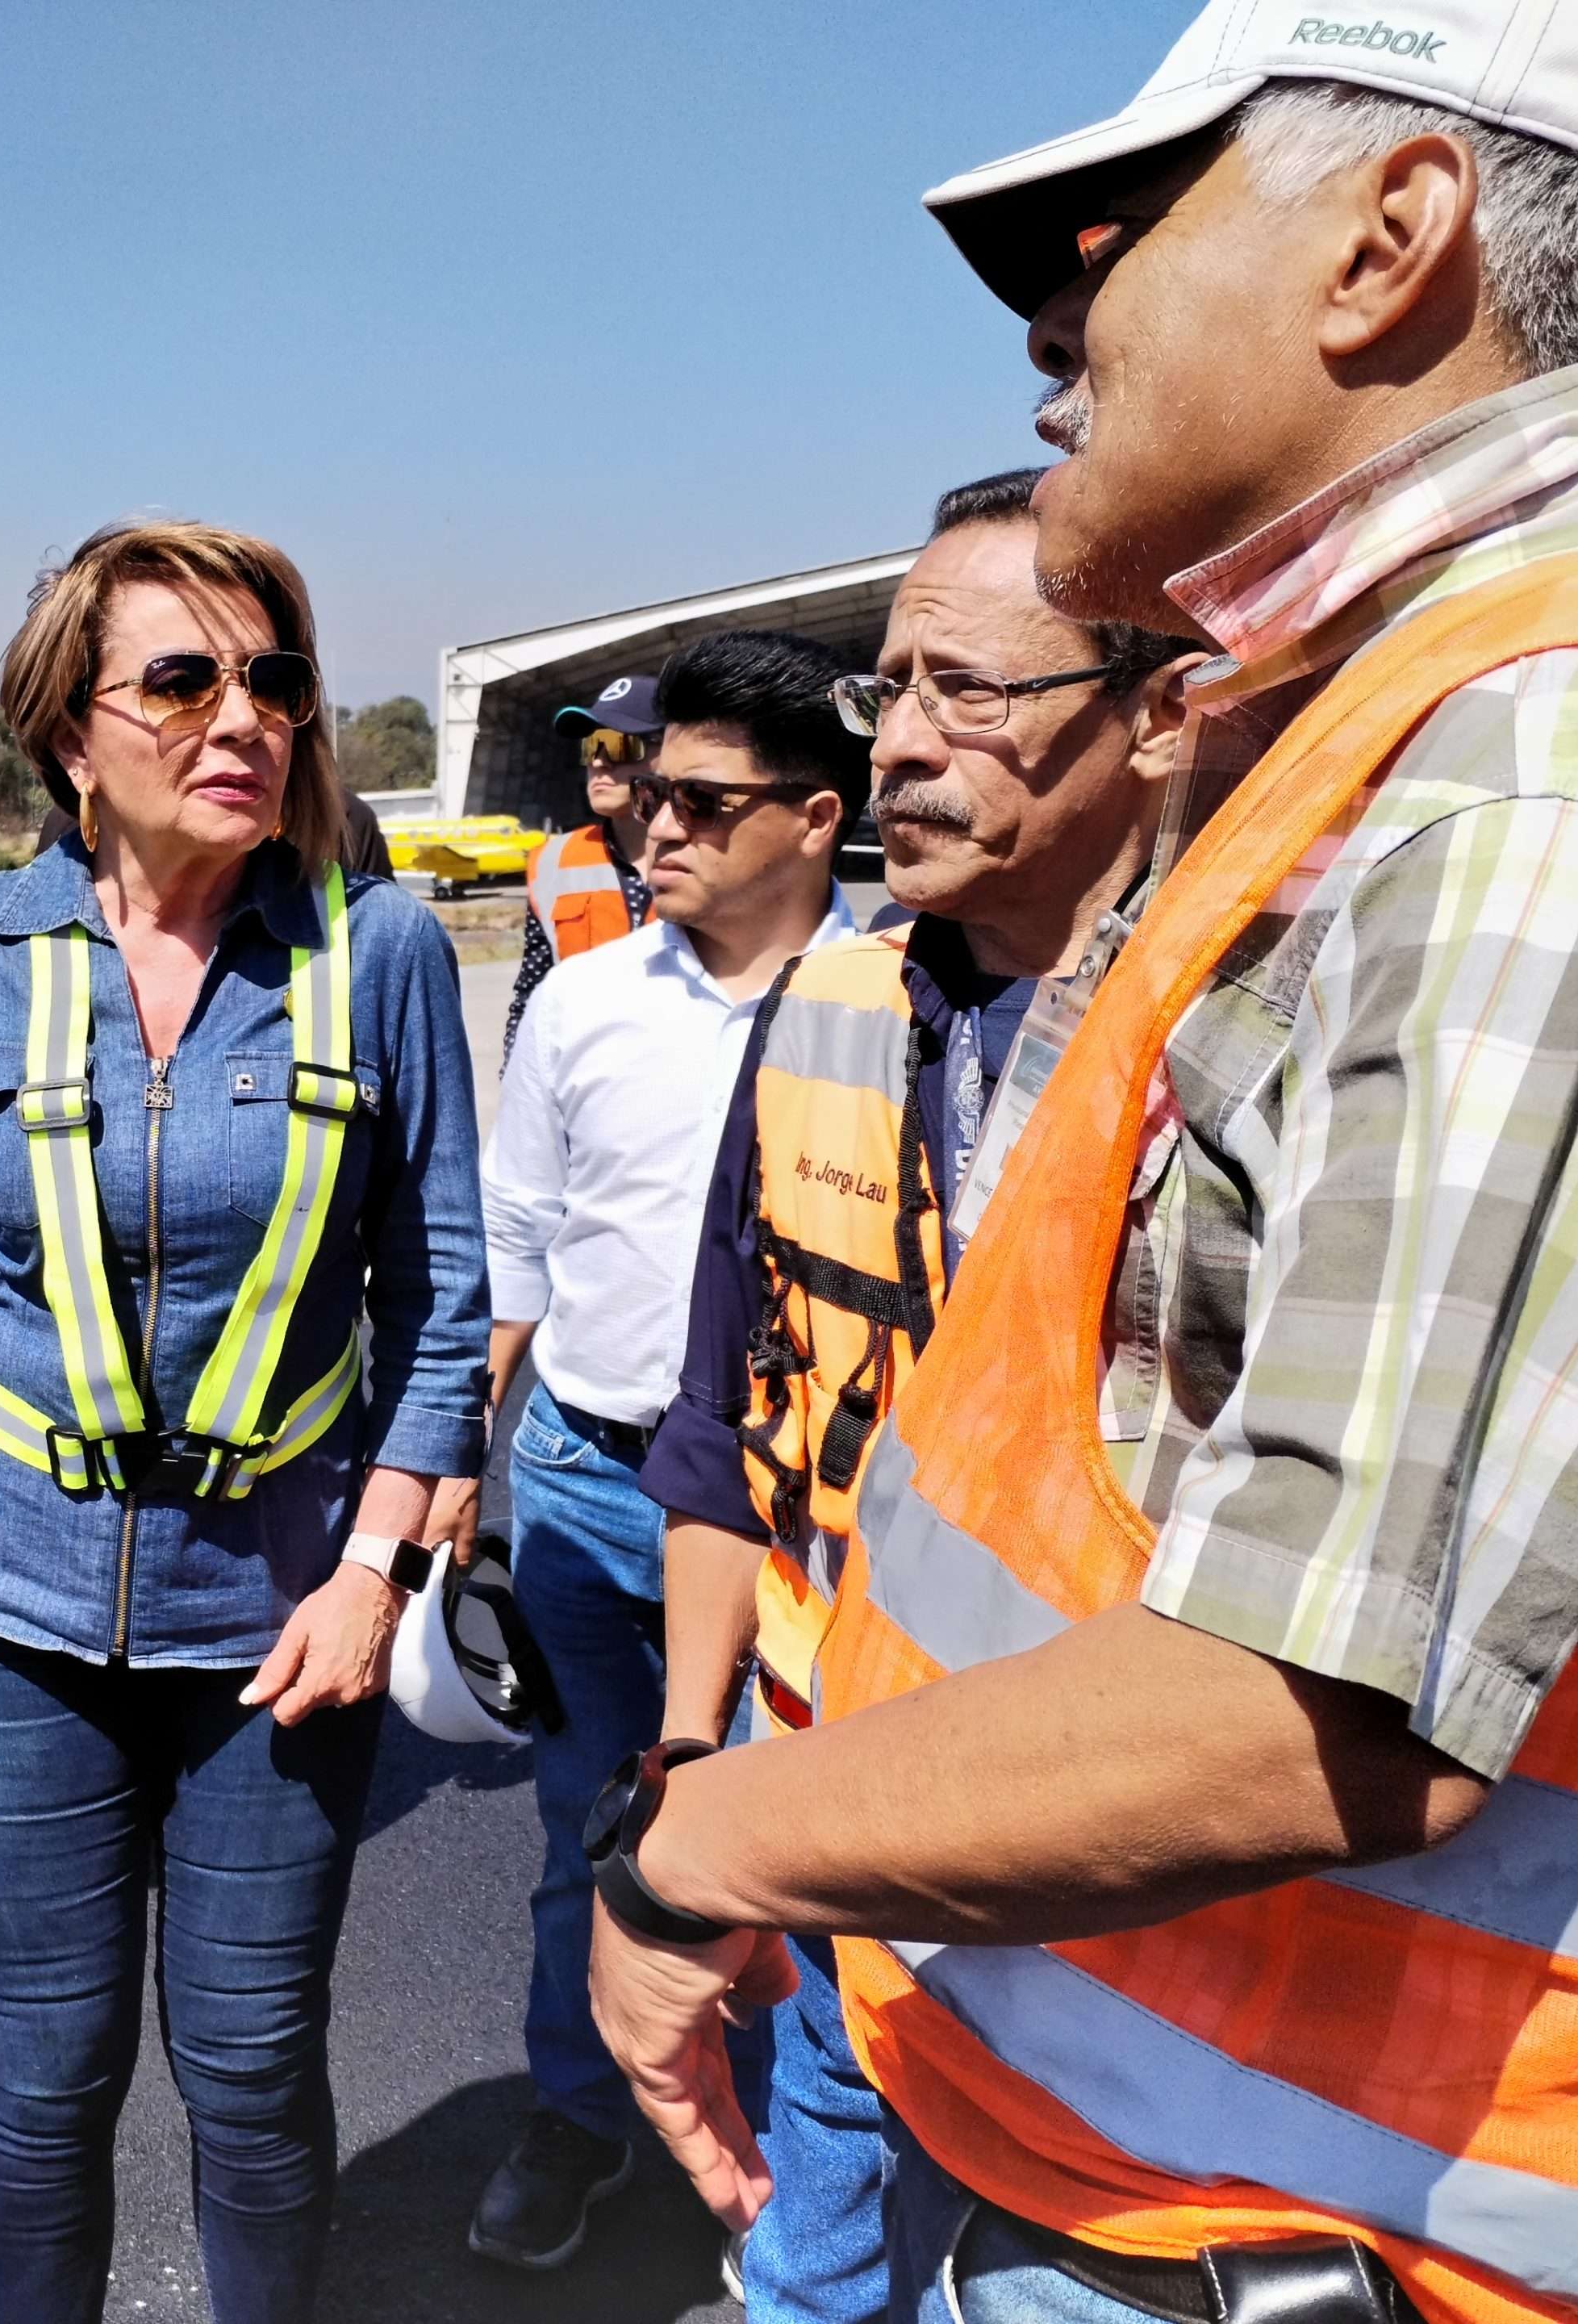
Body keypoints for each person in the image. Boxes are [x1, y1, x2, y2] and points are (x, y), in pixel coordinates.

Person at [587, 8, 1578, 2323]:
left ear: (1394, 244)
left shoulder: (1550, 768)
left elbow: (1328, 1696)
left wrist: (703, 1848)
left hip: (1311, 2239)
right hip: (1139, 2160)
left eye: (1119, 236)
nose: (1051, 332)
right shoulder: (1416, 727)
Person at [0, 519, 489, 2324]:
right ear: (69, 733)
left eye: (273, 680)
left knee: (255, 2067)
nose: (241, 717)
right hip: (5, 1601)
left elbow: (441, 1305)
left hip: (282, 1616)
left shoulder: (384, 953)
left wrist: (375, 1574)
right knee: (46, 2071)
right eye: (181, 680)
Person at [633, 479, 1200, 2324]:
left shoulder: (1252, 1031)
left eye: (968, 689)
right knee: (811, 2273)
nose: (899, 746)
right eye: (889, 692)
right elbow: (727, 1418)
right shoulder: (826, 1004)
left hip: (1149, 1881)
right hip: (845, 1836)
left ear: (1156, 707)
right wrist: (694, 1756)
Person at [456, 633, 862, 2274]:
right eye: (645, 793)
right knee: (593, 1837)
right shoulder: (586, 1002)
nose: (651, 825)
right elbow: (519, 1242)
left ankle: (786, 2165)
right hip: (576, 1478)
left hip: (789, 1528)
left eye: (701, 799)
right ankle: (581, 2112)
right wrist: (472, 1481)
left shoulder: (890, 1007)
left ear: (815, 817)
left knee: (800, 1863)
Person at [503, 675, 660, 1058]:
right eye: (591, 746)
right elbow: (532, 992)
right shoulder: (553, 861)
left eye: (617, 744)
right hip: (581, 1090)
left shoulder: (718, 857)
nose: (598, 762)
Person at [33, 784, 397, 877]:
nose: (239, 721)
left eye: (272, 684)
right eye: (179, 689)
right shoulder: (73, 828)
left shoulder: (343, 823)